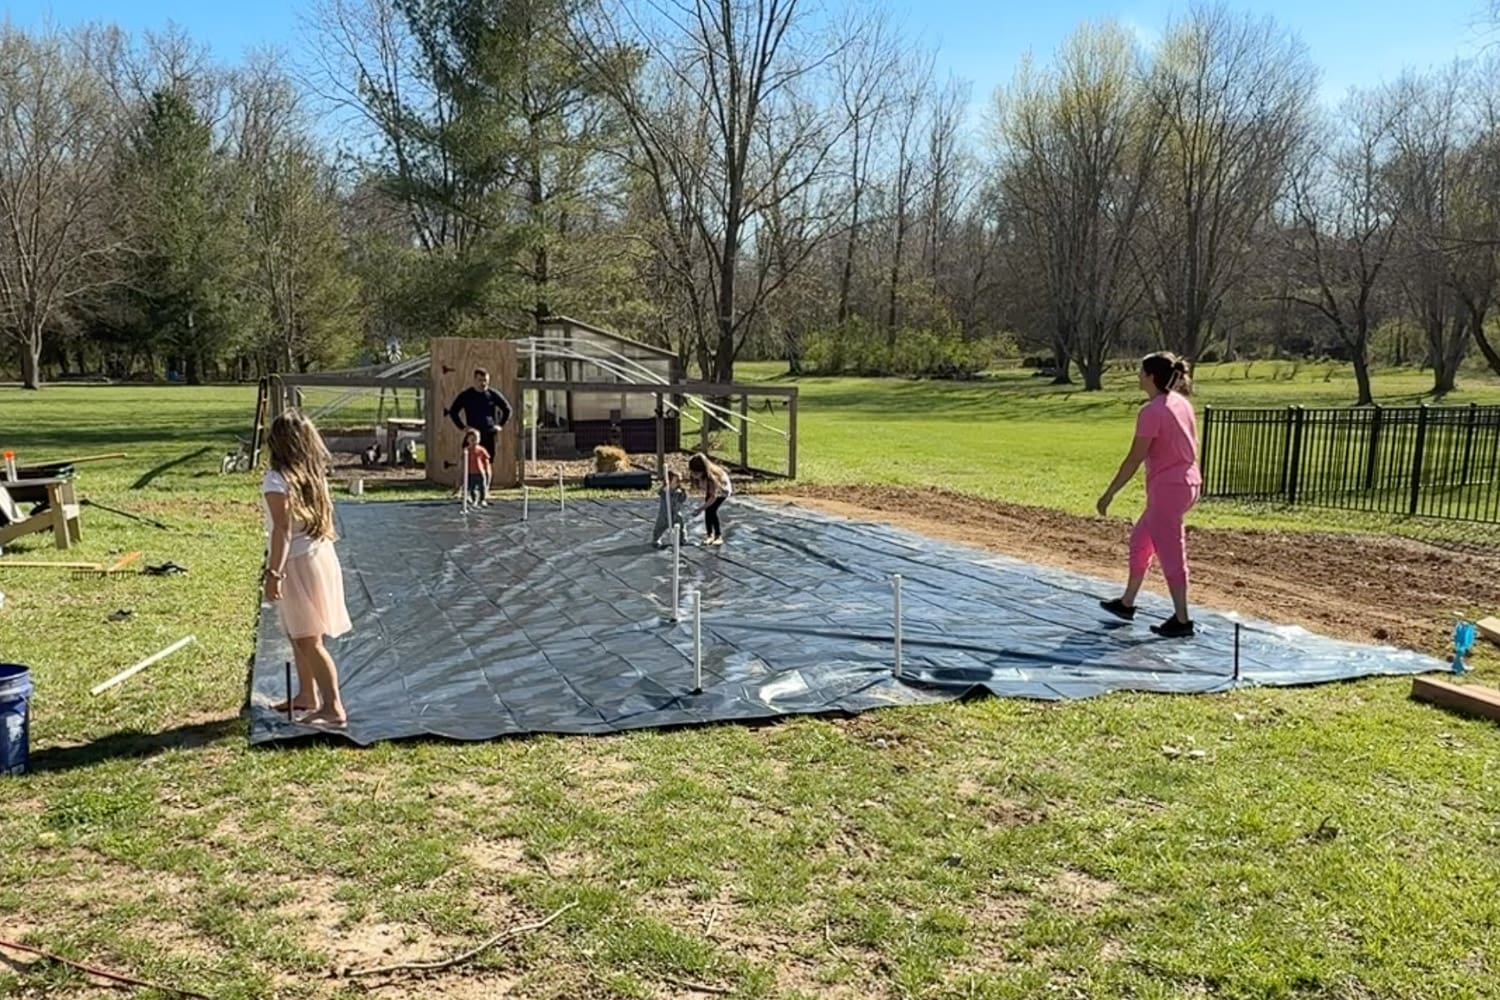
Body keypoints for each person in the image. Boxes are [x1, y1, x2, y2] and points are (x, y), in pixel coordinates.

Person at [1097, 352, 1202, 638]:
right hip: (1187, 484)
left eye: (1141, 371)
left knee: (1170, 552)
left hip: (1169, 490)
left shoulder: (1152, 411)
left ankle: (1182, 620)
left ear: (1151, 377)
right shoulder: (1181, 403)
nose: (1138, 376)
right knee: (1141, 539)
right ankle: (1127, 602)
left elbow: (1133, 459)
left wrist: (1109, 494)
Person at [262, 410, 352, 726]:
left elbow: (282, 530)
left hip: (298, 563)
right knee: (299, 632)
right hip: (318, 557)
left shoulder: (277, 480)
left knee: (307, 640)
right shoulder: (311, 475)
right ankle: (307, 695)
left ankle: (332, 707)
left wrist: (274, 574)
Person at [448, 368, 513, 461]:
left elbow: (508, 410)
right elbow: (453, 411)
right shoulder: (466, 395)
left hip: (489, 433)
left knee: (488, 459)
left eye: (485, 380)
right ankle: (469, 475)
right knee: (469, 459)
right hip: (473, 433)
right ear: (474, 380)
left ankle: (486, 475)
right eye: (480, 380)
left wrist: (500, 425)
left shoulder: (492, 394)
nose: (483, 383)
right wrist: (463, 427)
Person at [688, 452, 732, 546]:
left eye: (696, 473)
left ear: (703, 471)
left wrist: (700, 509)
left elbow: (713, 497)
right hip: (711, 490)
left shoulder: (712, 479)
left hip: (722, 491)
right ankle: (709, 535)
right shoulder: (700, 476)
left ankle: (718, 536)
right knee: (708, 511)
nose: (693, 475)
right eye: (692, 472)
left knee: (711, 510)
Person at [653, 469, 689, 547]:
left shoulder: (680, 491)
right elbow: (660, 493)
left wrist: (682, 494)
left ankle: (682, 539)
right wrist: (665, 490)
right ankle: (656, 539)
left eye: (680, 480)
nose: (679, 482)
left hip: (676, 512)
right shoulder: (665, 490)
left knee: (680, 525)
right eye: (676, 480)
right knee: (660, 526)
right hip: (665, 513)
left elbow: (682, 499)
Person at [462, 427, 491, 506]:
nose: (474, 440)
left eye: (476, 438)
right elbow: (463, 461)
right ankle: (474, 500)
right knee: (472, 487)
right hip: (470, 473)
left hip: (480, 472)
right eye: (472, 439)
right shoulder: (467, 450)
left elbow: (486, 460)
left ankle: (482, 500)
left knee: (482, 486)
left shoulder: (481, 450)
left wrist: (487, 470)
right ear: (468, 440)